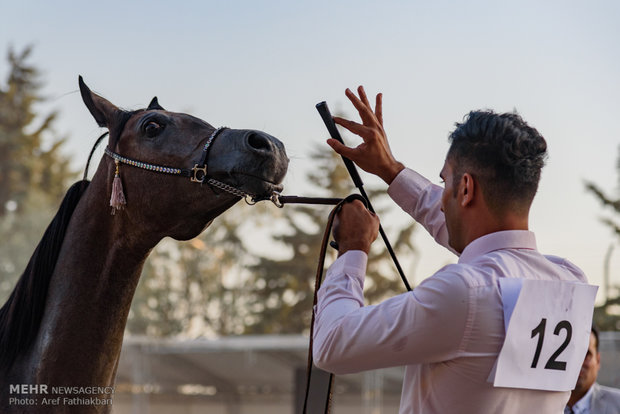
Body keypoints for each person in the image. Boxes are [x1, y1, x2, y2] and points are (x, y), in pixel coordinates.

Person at [312, 86, 592, 413]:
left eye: (444, 183)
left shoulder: (463, 292)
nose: (441, 200)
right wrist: (390, 170)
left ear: (466, 188)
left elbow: (331, 345)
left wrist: (352, 249)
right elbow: (475, 235)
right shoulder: (570, 281)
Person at [565, 326, 620, 413]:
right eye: (567, 353)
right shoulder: (538, 407)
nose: (577, 363)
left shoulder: (617, 404)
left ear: (598, 360)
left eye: (586, 354)